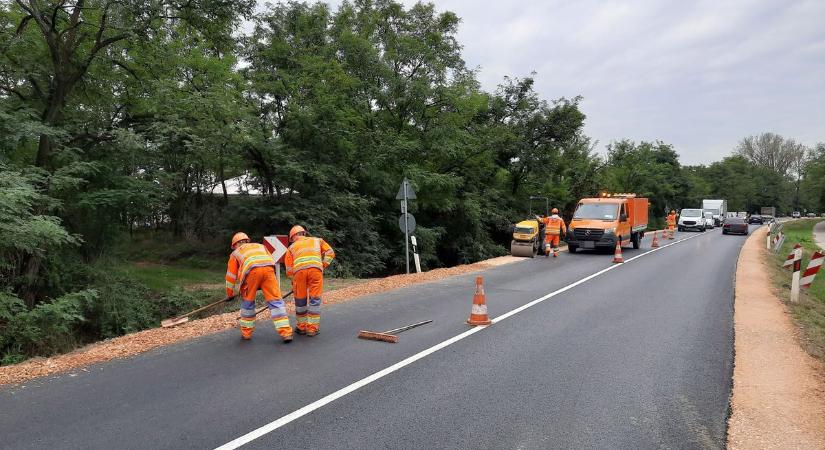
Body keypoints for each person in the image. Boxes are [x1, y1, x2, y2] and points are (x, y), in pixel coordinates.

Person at [225, 232, 293, 342]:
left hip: (251, 273)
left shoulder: (235, 253)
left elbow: (230, 276)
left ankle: (246, 333)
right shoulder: (261, 246)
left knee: (248, 303)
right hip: (269, 271)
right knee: (276, 301)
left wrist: (229, 294)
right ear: (247, 240)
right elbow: (269, 260)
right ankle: (286, 333)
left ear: (235, 245)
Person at [284, 225, 335, 336]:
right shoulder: (317, 241)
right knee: (315, 299)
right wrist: (322, 265)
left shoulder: (291, 248)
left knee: (300, 301)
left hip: (299, 274)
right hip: (315, 271)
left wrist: (294, 282)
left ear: (293, 237)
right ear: (304, 233)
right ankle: (312, 329)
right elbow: (330, 252)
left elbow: (288, 269)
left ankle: (301, 328)